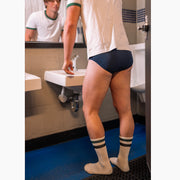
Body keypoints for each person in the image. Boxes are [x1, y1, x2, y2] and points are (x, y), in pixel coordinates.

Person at [62, 0, 135, 175]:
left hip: (101, 52)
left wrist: (67, 58)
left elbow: (70, 24)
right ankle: (123, 161)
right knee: (125, 110)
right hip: (124, 52)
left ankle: (104, 164)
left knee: (90, 110)